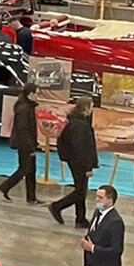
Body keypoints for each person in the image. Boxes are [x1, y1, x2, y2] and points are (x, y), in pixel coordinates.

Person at [49, 97, 99, 229]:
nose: (92, 109)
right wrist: (88, 166)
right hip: (79, 162)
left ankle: (80, 218)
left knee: (81, 189)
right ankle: (57, 206)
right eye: (91, 106)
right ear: (86, 108)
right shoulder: (80, 125)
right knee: (80, 191)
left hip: (75, 160)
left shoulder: (76, 122)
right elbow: (82, 147)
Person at [0, 82, 42, 204]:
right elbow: (23, 130)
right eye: (36, 93)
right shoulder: (24, 109)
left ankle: (31, 197)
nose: (38, 96)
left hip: (28, 143)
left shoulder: (28, 106)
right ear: (31, 93)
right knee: (25, 169)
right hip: (25, 144)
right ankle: (4, 187)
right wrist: (31, 147)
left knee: (30, 170)